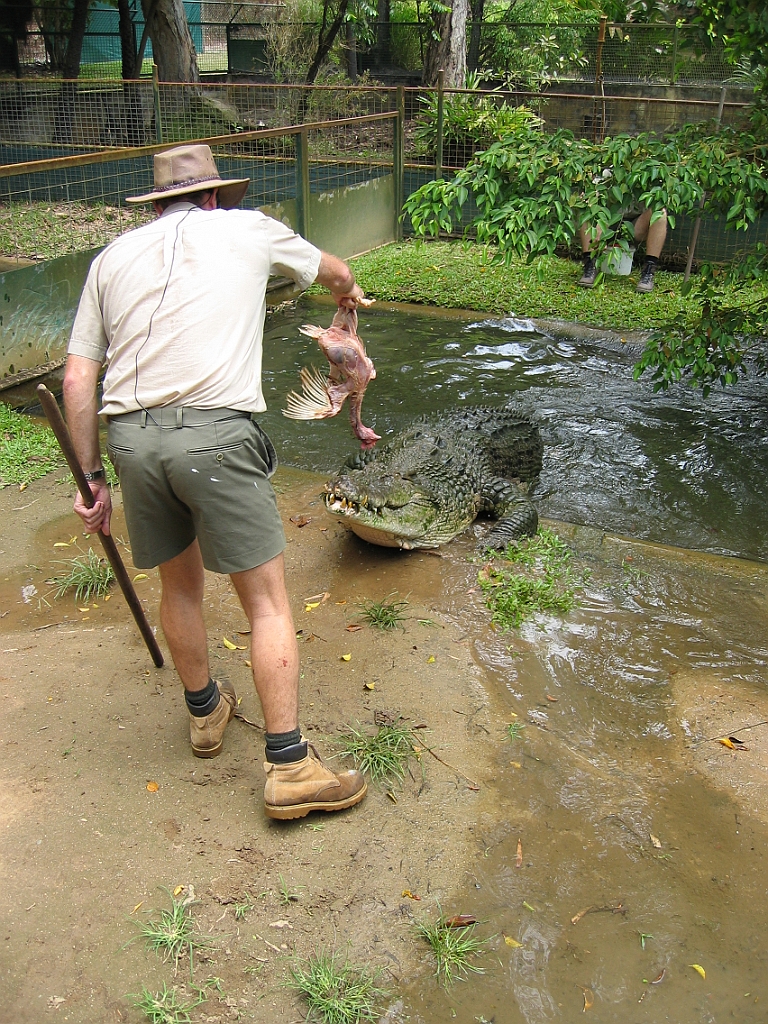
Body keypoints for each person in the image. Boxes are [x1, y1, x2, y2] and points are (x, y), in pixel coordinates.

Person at [63, 143, 368, 821]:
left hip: (133, 442)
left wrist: (91, 480)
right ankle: (290, 766)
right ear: (212, 197)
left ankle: (205, 713)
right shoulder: (249, 227)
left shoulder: (110, 259)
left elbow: (79, 379)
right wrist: (346, 293)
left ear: (158, 202)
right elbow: (335, 270)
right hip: (216, 437)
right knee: (266, 603)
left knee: (180, 584)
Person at [577, 205, 668, 294]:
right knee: (586, 205)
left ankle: (649, 270)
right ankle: (590, 264)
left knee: (660, 212)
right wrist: (601, 220)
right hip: (606, 221)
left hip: (636, 226)